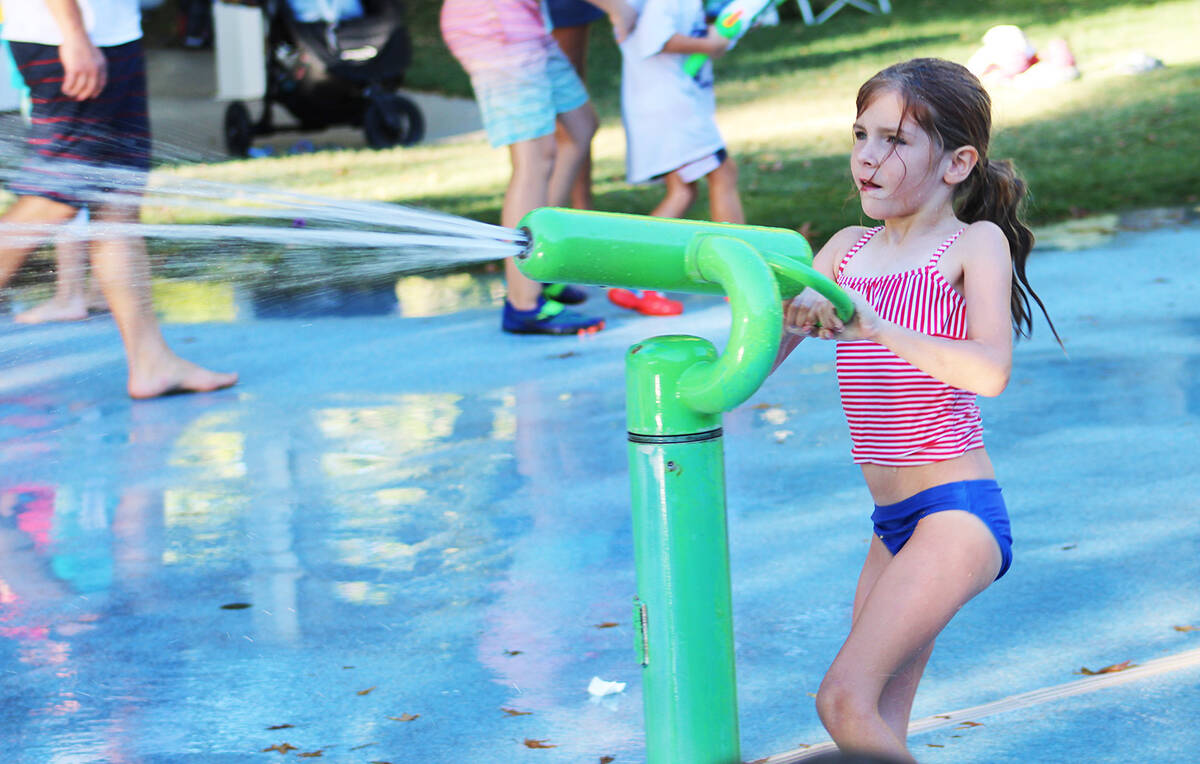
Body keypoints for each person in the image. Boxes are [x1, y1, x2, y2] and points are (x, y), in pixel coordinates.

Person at [774, 58, 1059, 762]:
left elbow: (989, 370)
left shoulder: (971, 245)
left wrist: (872, 323)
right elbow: (752, 360)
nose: (869, 157)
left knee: (842, 702)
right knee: (874, 730)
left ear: (958, 162)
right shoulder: (844, 251)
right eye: (861, 135)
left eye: (897, 141)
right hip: (893, 525)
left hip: (956, 514)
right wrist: (778, 305)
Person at [0, 0, 237, 398]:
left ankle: (152, 363)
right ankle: (151, 362)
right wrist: (74, 34)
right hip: (67, 41)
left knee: (118, 198)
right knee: (55, 196)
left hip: (113, 38)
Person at [440, 0, 633, 335]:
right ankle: (524, 304)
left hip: (525, 26)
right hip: (496, 28)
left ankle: (540, 255)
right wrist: (617, 8)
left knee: (579, 128)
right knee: (534, 158)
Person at [609, 0, 745, 316]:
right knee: (723, 174)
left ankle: (630, 278)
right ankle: (739, 277)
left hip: (668, 105)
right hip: (671, 109)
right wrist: (710, 45)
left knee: (684, 190)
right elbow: (658, 38)